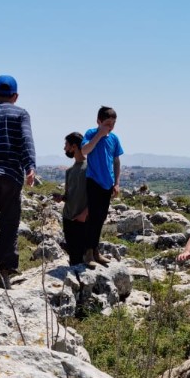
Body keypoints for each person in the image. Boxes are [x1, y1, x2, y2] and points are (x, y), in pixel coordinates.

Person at [0, 74, 36, 287]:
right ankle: (5, 273)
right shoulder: (21, 114)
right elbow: (26, 139)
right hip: (12, 176)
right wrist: (30, 166)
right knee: (10, 225)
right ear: (15, 96)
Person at [81, 106, 123, 265]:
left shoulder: (114, 138)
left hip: (108, 183)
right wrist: (99, 134)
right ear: (98, 121)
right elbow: (85, 150)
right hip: (93, 181)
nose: (110, 126)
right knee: (92, 218)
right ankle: (88, 253)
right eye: (107, 123)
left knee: (100, 218)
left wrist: (117, 182)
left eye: (113, 123)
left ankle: (95, 251)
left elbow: (116, 161)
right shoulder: (91, 133)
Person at [61, 133, 89, 266]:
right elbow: (68, 195)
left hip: (82, 220)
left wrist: (85, 214)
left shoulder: (90, 168)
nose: (64, 148)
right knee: (73, 258)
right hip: (68, 218)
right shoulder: (70, 171)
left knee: (81, 259)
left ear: (74, 146)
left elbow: (96, 196)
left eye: (66, 145)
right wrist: (61, 198)